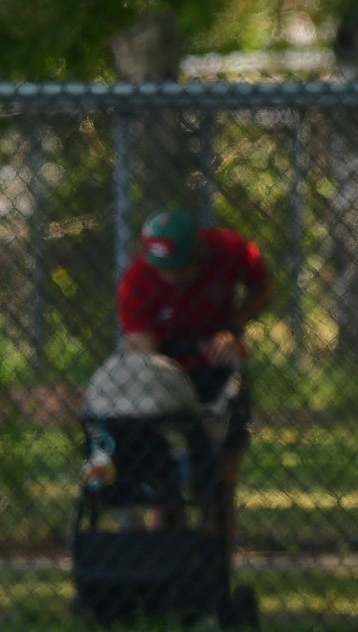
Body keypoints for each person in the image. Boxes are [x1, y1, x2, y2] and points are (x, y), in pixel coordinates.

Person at [116, 208, 274, 547]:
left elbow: (262, 286)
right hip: (165, 384)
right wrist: (161, 371)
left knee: (221, 481)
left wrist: (233, 330)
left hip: (218, 378)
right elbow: (140, 346)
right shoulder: (137, 280)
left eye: (179, 269)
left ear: (197, 254)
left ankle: (215, 568)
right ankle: (163, 565)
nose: (170, 278)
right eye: (162, 270)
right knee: (165, 484)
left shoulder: (230, 250)